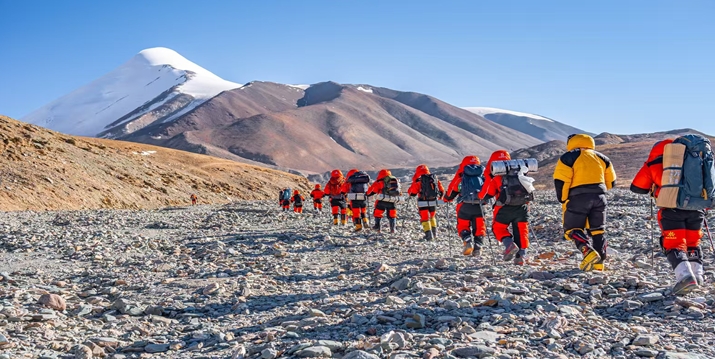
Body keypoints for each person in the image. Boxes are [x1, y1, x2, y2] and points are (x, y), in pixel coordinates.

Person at [630, 138, 704, 294]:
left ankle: (685, 278)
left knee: (674, 243)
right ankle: (698, 275)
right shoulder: (695, 159)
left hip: (671, 210)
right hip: (697, 208)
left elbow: (637, 187)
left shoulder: (654, 161)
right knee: (693, 241)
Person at [553, 134, 616, 271]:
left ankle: (587, 251)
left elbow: (562, 181)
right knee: (598, 230)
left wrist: (563, 198)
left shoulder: (568, 157)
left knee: (572, 229)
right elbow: (611, 182)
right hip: (600, 197)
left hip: (578, 198)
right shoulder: (602, 158)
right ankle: (600, 263)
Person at [480, 150, 532, 266]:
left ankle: (509, 244)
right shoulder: (521, 173)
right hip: (522, 207)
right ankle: (521, 256)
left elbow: (488, 194)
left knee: (498, 228)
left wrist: (482, 199)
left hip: (504, 208)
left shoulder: (497, 177)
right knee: (521, 231)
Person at [444, 156, 487, 256]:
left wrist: (447, 198)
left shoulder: (461, 175)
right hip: (479, 205)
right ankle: (478, 247)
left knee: (463, 225)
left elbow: (452, 189)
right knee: (480, 226)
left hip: (464, 205)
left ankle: (467, 241)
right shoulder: (483, 175)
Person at [407, 164, 445, 240]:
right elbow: (442, 190)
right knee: (432, 216)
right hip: (433, 201)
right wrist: (440, 197)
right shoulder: (434, 179)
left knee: (425, 217)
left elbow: (412, 193)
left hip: (422, 201)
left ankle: (428, 235)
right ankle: (434, 234)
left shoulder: (419, 180)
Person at [367, 169, 401, 233]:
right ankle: (393, 229)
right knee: (392, 214)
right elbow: (399, 191)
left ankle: (377, 227)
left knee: (378, 213)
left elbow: (373, 190)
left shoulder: (379, 182)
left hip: (382, 200)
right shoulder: (394, 181)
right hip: (392, 200)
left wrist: (368, 194)